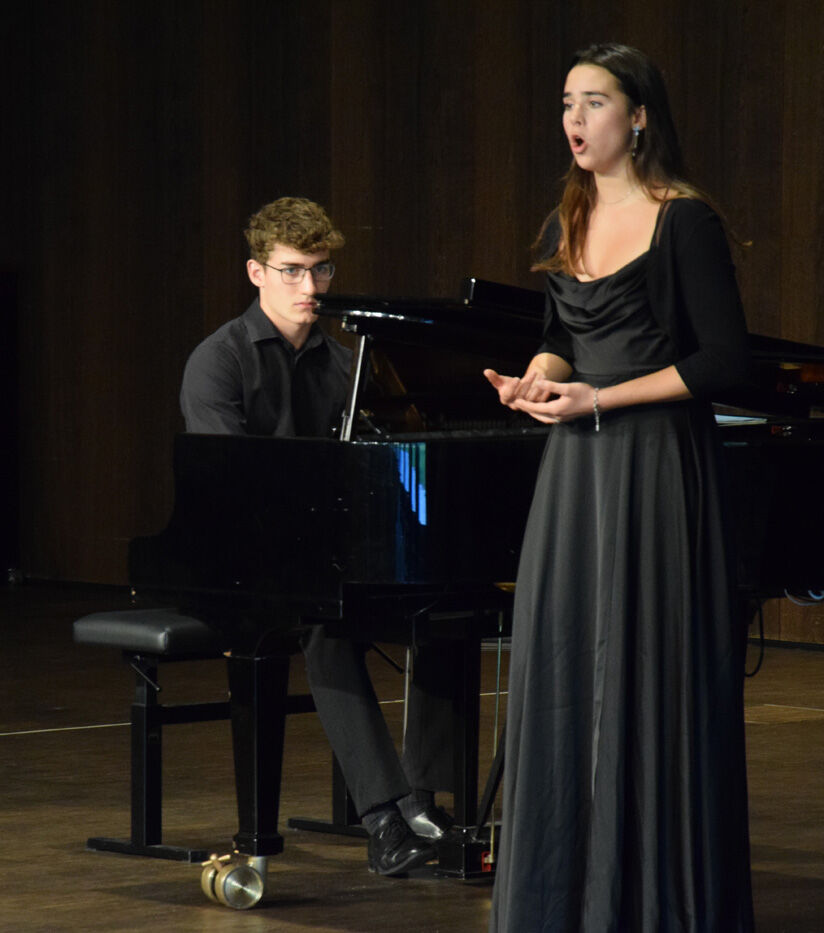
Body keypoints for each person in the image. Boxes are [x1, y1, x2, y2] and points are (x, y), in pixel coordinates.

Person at [485, 44, 755, 931]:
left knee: (651, 673)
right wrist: (536, 378)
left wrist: (601, 397)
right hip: (577, 472)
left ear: (639, 117)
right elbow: (564, 333)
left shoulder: (685, 221)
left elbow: (725, 360)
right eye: (568, 101)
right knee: (565, 665)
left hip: (657, 465)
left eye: (594, 101)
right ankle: (565, 899)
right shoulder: (568, 213)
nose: (574, 118)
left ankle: (650, 901)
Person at [181, 196, 456, 876]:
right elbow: (228, 488)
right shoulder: (219, 360)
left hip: (328, 554)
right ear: (256, 272)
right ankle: (384, 820)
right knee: (324, 622)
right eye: (293, 271)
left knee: (442, 607)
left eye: (322, 270)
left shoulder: (344, 365)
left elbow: (379, 467)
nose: (311, 287)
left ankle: (425, 799)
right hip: (241, 563)